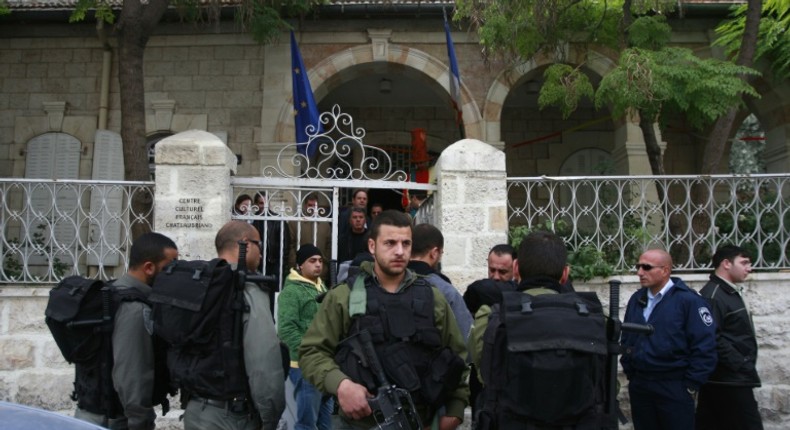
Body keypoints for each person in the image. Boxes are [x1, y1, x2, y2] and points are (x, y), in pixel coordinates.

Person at [299, 210, 469, 430]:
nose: (399, 251)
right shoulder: (345, 297)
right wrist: (341, 385)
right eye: (390, 243)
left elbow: (458, 357)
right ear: (372, 246)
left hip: (423, 422)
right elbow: (311, 352)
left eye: (406, 243)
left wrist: (455, 411)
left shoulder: (433, 297)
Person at [469, 231, 590, 428]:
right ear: (565, 274)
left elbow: (485, 374)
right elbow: (605, 384)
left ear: (515, 268)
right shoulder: (592, 318)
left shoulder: (490, 317)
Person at [183, 221, 285, 430]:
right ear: (245, 245)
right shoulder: (247, 289)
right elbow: (264, 363)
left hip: (194, 410)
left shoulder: (197, 285)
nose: (262, 253)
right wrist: (270, 418)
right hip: (232, 416)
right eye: (259, 244)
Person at [74, 232, 178, 430]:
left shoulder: (114, 291)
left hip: (94, 415)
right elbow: (131, 373)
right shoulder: (134, 308)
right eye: (169, 266)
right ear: (149, 267)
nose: (173, 273)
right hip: (115, 421)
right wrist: (140, 420)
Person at [621, 249, 717, 430]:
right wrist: (630, 370)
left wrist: (690, 385)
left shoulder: (688, 301)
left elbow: (705, 346)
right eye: (638, 267)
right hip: (641, 384)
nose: (640, 272)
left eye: (647, 267)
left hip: (674, 386)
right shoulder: (637, 299)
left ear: (665, 270)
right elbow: (627, 336)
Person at [696, 245, 763, 430]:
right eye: (744, 263)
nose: (749, 268)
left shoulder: (729, 292)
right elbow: (710, 337)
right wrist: (740, 363)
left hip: (732, 378)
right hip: (727, 381)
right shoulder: (714, 295)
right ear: (726, 263)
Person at [278, 245, 334, 430]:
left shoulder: (320, 285)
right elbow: (286, 330)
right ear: (300, 265)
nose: (318, 265)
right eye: (312, 261)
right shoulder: (292, 292)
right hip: (304, 365)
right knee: (307, 423)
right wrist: (309, 354)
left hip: (325, 363)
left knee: (325, 422)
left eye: (320, 261)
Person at [407, 223, 473, 340]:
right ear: (434, 252)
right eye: (441, 253)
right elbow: (467, 337)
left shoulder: (390, 280)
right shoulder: (445, 290)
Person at [252, 191, 291, 288]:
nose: (263, 206)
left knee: (274, 292)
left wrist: (281, 264)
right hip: (258, 264)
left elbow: (286, 244)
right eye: (261, 203)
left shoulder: (277, 220)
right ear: (256, 204)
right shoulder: (252, 220)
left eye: (265, 203)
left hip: (274, 263)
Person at [288, 194, 332, 278]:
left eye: (315, 205)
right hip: (299, 270)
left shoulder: (325, 224)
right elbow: (291, 245)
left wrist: (325, 265)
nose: (312, 208)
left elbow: (328, 246)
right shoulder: (295, 223)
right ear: (305, 205)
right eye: (310, 205)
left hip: (320, 271)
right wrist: (294, 263)